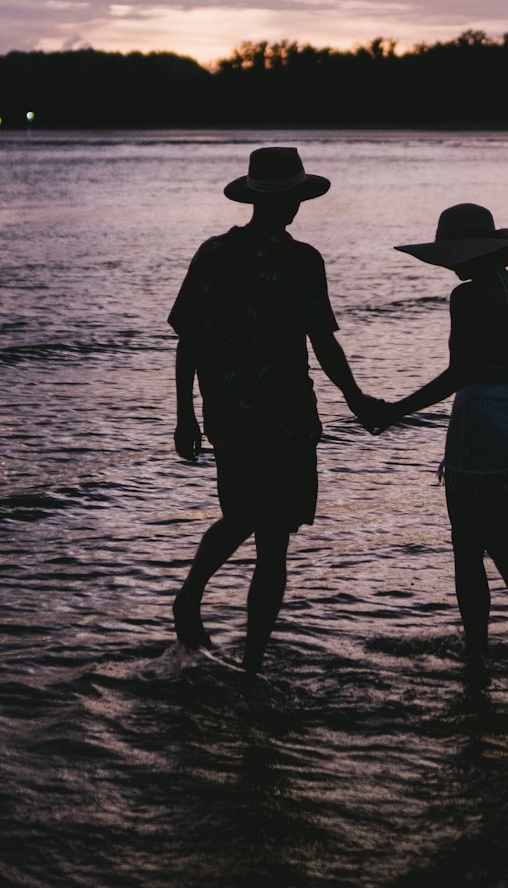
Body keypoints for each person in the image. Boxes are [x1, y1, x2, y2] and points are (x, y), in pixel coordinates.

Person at [168, 146, 382, 674]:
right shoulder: (280, 258)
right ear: (286, 198)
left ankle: (250, 660)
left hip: (253, 410)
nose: (294, 207)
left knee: (260, 528)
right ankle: (206, 613)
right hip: (268, 412)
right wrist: (184, 415)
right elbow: (192, 338)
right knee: (261, 530)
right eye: (292, 197)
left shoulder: (233, 253)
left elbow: (191, 341)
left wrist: (187, 413)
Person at [376, 203, 508, 664]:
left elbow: (458, 374)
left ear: (469, 252)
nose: (450, 265)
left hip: (480, 416)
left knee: (466, 547)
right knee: (504, 544)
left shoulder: (467, 298)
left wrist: (395, 410)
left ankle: (477, 656)